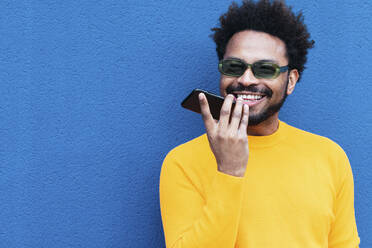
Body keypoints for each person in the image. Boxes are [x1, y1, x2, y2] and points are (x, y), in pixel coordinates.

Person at [159, 0, 360, 247]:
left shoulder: (330, 157)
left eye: (265, 69)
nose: (246, 79)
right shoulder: (182, 162)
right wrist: (229, 171)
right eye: (234, 66)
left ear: (291, 80)